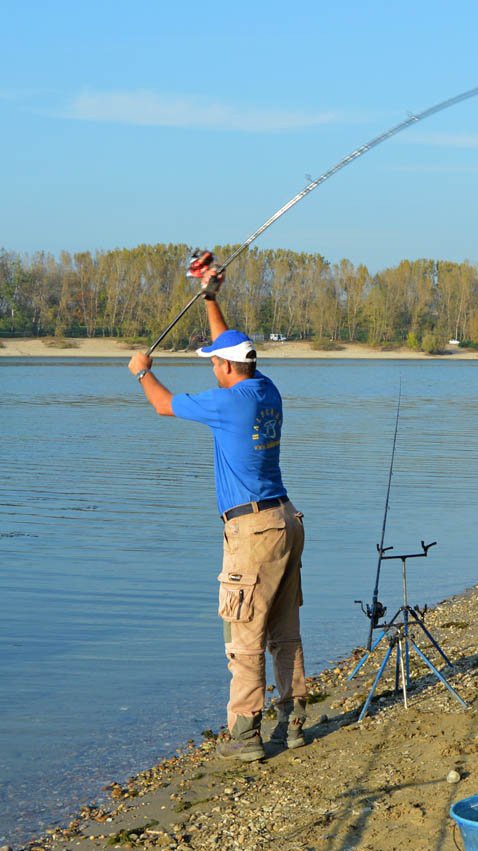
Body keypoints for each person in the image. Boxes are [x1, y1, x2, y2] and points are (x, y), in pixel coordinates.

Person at [127, 269, 308, 762]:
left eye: (213, 364)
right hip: (288, 522)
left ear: (227, 370)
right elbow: (229, 347)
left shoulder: (226, 404)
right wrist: (210, 298)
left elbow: (163, 406)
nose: (211, 369)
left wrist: (142, 370)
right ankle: (293, 724)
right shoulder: (266, 390)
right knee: (284, 629)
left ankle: (246, 737)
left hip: (252, 531)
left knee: (244, 633)